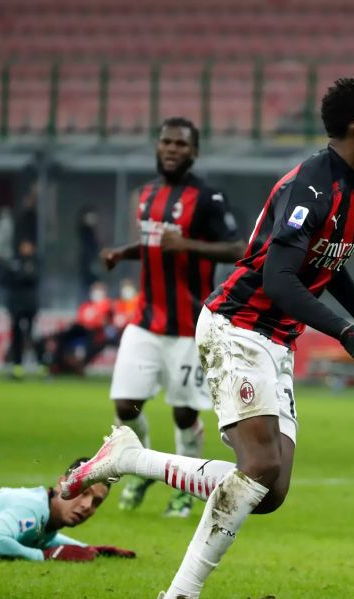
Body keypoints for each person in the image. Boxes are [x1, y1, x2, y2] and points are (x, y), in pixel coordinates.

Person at [61, 77, 354, 599]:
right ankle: (180, 593)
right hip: (237, 326)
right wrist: (349, 335)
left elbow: (328, 266)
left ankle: (129, 458)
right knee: (260, 467)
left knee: (269, 491)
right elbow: (279, 278)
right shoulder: (310, 185)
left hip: (277, 340)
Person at [97, 116, 246, 519]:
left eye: (181, 144)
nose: (172, 149)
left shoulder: (209, 199)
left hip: (187, 326)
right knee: (124, 405)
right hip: (145, 321)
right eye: (166, 142)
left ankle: (185, 489)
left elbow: (239, 248)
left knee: (184, 413)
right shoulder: (146, 194)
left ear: (194, 152)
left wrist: (188, 244)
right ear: (157, 146)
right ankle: (143, 465)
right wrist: (122, 254)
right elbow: (154, 245)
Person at [0, 458, 133, 562]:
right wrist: (45, 557)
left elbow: (45, 538)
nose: (87, 506)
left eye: (97, 502)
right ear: (63, 484)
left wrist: (91, 549)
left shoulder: (41, 508)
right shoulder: (32, 507)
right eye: (84, 493)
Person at [3, 239, 42, 379]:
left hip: (30, 305)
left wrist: (19, 275)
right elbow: (5, 279)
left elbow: (34, 278)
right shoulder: (13, 261)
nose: (26, 248)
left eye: (28, 246)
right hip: (15, 305)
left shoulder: (35, 261)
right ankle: (17, 366)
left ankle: (41, 365)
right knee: (17, 336)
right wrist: (22, 275)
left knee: (32, 335)